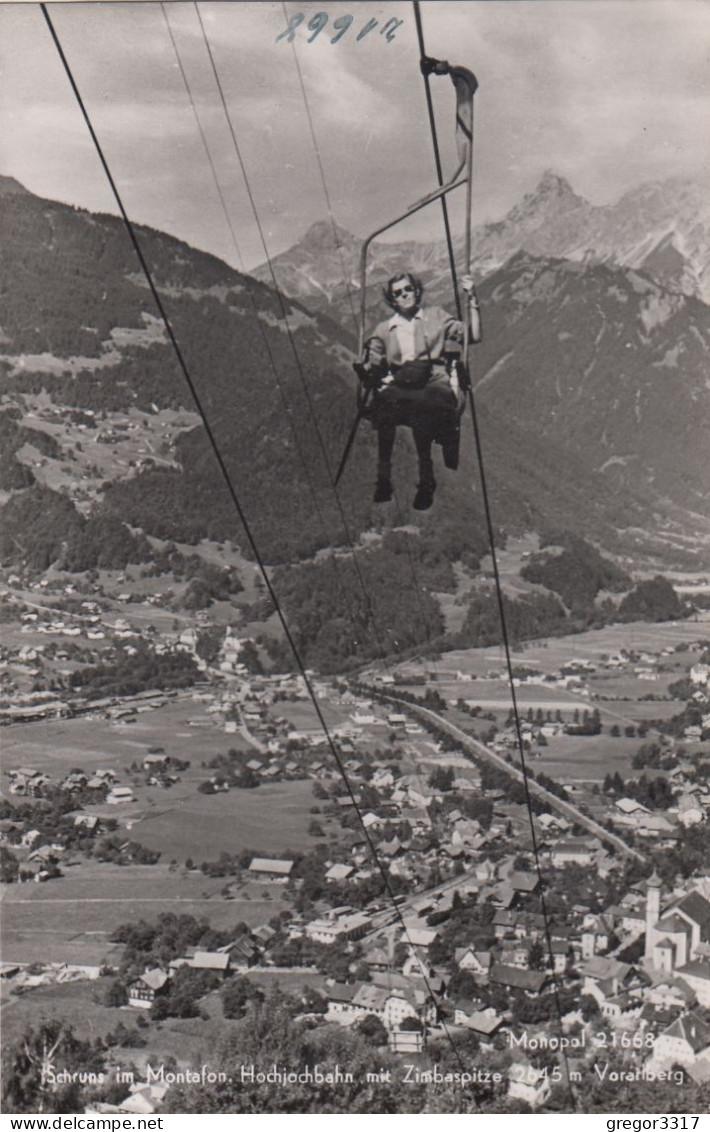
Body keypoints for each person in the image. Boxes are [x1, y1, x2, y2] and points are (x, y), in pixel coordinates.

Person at [361, 272, 481, 510]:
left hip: (433, 380)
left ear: (416, 291)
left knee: (421, 408)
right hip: (401, 383)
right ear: (392, 300)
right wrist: (368, 368)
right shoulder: (385, 329)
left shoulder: (436, 317)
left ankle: (426, 479)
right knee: (384, 406)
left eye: (407, 290)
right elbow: (373, 356)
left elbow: (473, 336)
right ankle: (383, 478)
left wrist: (472, 299)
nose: (404, 295)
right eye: (398, 293)